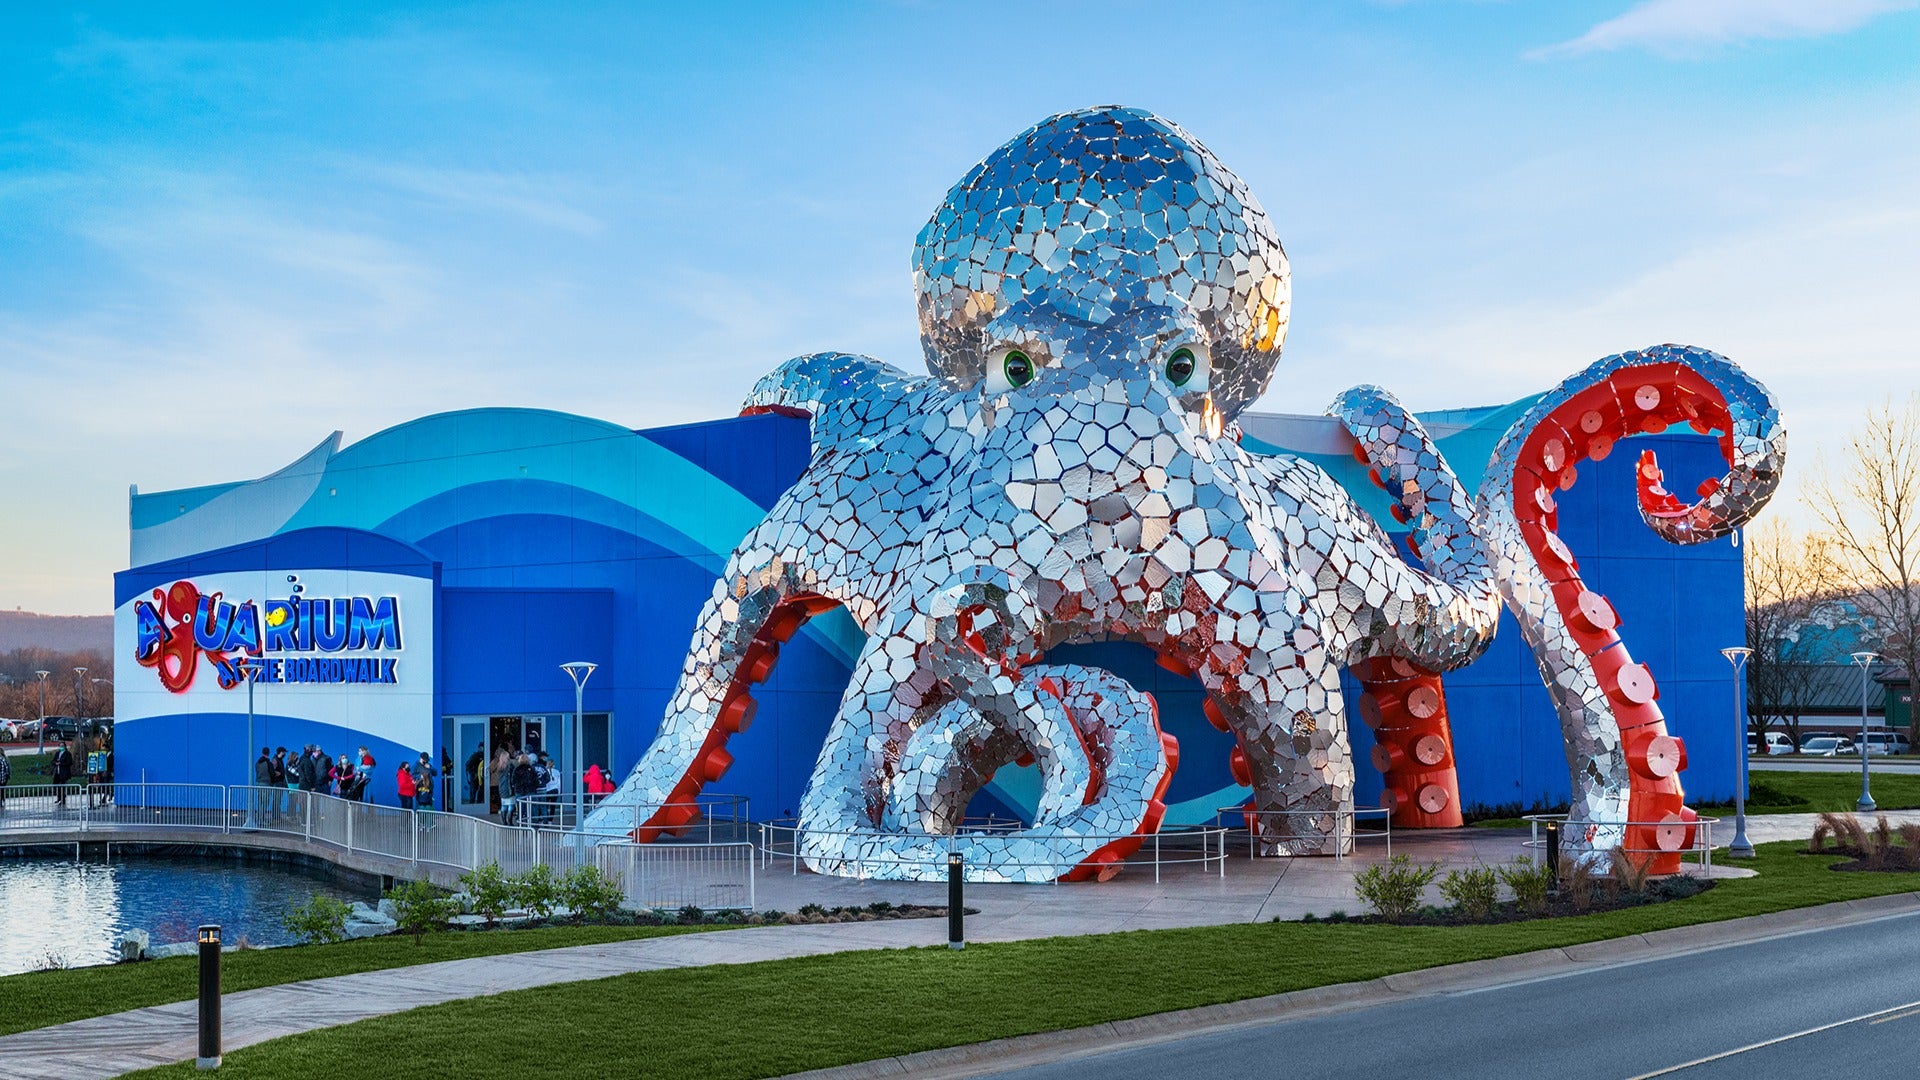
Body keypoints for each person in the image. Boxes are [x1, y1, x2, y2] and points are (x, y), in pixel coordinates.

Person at [253, 746, 273, 824]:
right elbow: (272, 774)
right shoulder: (268, 763)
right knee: (265, 802)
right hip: (266, 784)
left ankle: (258, 819)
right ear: (268, 753)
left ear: (262, 753)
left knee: (260, 802)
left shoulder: (257, 763)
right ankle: (262, 819)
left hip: (258, 783)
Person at [51, 742, 74, 807]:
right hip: (57, 772)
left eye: (62, 746)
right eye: (60, 746)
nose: (61, 747)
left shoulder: (67, 754)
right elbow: (53, 761)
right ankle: (58, 798)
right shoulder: (57, 753)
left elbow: (69, 762)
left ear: (65, 746)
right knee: (55, 785)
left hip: (64, 772)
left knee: (62, 786)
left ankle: (63, 799)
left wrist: (61, 763)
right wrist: (55, 763)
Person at [270, 747, 290, 819]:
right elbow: (272, 770)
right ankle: (275, 816)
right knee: (276, 800)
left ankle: (277, 816)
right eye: (283, 752)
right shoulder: (275, 760)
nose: (284, 754)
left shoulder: (280, 760)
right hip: (277, 782)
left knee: (278, 800)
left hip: (280, 782)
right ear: (280, 752)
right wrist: (276, 773)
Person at [0, 747, 10, 815]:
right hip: (4, 778)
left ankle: (1, 803)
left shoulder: (1, 760)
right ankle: (2, 802)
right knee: (2, 791)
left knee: (1, 791)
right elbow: (7, 769)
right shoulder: (4, 759)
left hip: (1, 778)